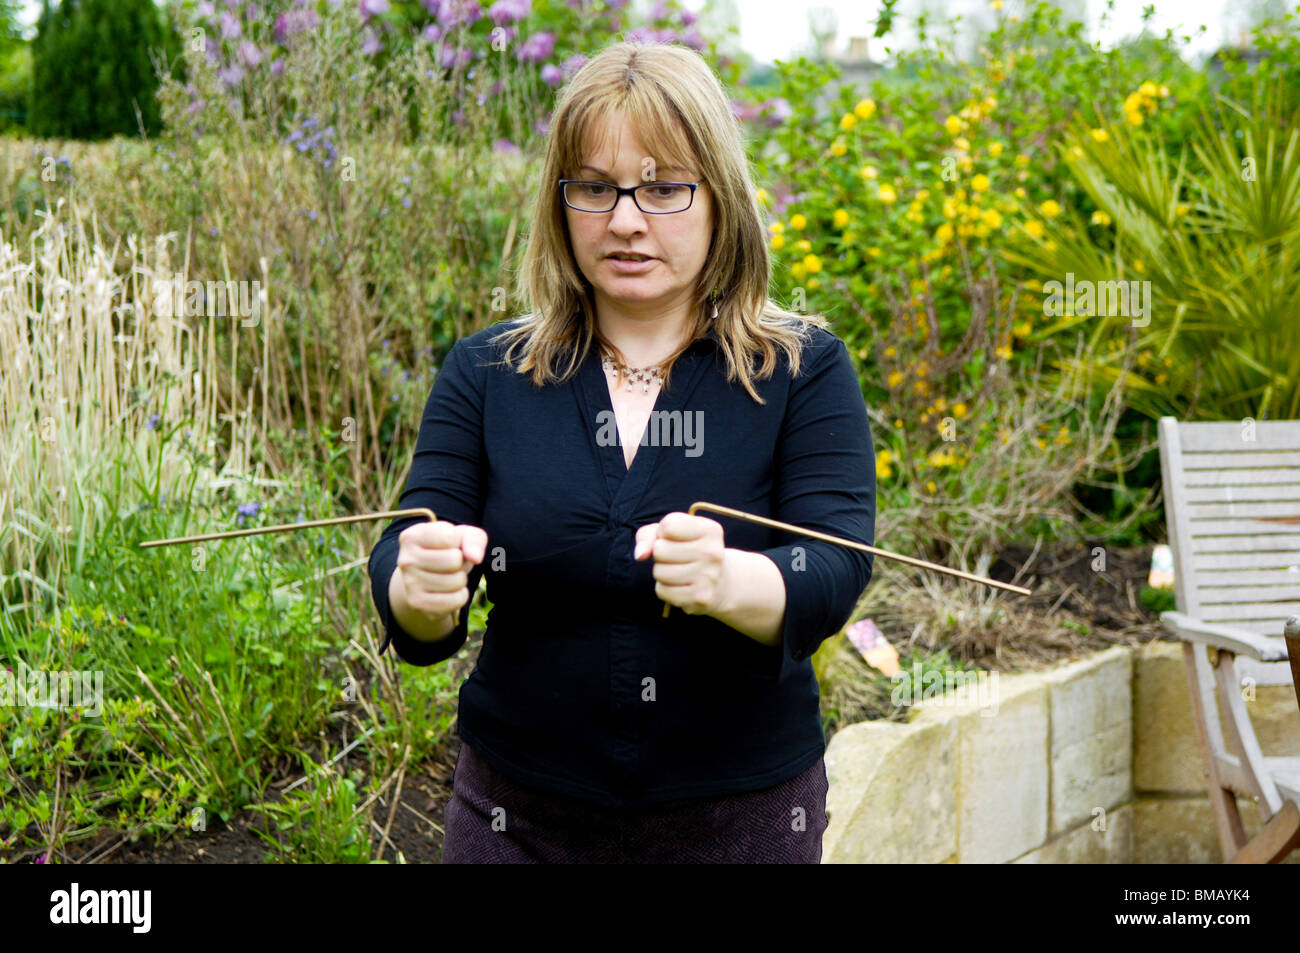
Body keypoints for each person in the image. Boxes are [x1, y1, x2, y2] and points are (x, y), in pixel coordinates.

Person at [367, 40, 876, 863]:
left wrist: (730, 581)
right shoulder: (489, 373)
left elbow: (834, 569)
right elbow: (410, 575)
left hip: (739, 821)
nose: (627, 219)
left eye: (665, 187)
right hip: (514, 820)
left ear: (720, 199)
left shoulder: (801, 370)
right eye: (596, 188)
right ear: (560, 202)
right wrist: (418, 587)